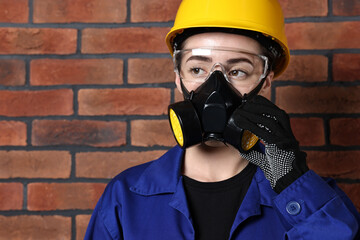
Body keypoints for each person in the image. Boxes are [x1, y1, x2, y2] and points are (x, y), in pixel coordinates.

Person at [84, 0, 360, 239]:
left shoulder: (315, 199)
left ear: (265, 83)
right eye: (197, 68)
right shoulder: (126, 197)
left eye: (238, 71)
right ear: (178, 78)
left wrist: (294, 185)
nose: (215, 87)